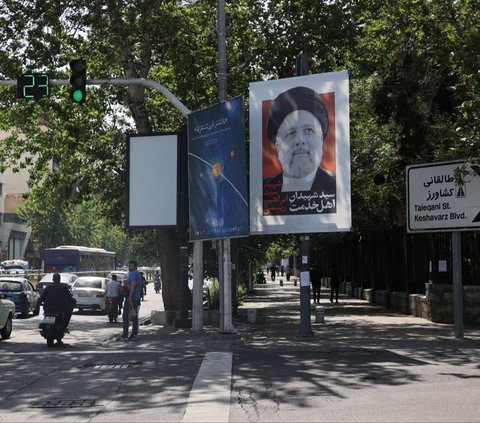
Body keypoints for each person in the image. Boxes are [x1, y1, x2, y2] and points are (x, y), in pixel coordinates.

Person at [263, 86, 336, 216]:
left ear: (321, 139)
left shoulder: (337, 186)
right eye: (291, 133)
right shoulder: (264, 190)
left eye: (309, 130)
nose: (300, 141)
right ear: (278, 145)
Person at [39, 272, 76, 338]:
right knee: (68, 314)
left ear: (53, 279)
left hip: (48, 308)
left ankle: (61, 328)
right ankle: (63, 327)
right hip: (59, 308)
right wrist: (72, 302)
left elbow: (41, 298)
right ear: (59, 279)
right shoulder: (64, 287)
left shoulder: (48, 287)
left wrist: (39, 303)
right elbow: (69, 298)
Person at [120, 260, 143, 341]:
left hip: (132, 298)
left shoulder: (133, 274)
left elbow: (133, 285)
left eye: (131, 266)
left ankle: (125, 335)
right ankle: (134, 334)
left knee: (125, 316)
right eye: (128, 266)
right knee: (135, 316)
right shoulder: (138, 274)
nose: (129, 267)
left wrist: (130, 297)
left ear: (135, 266)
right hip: (136, 298)